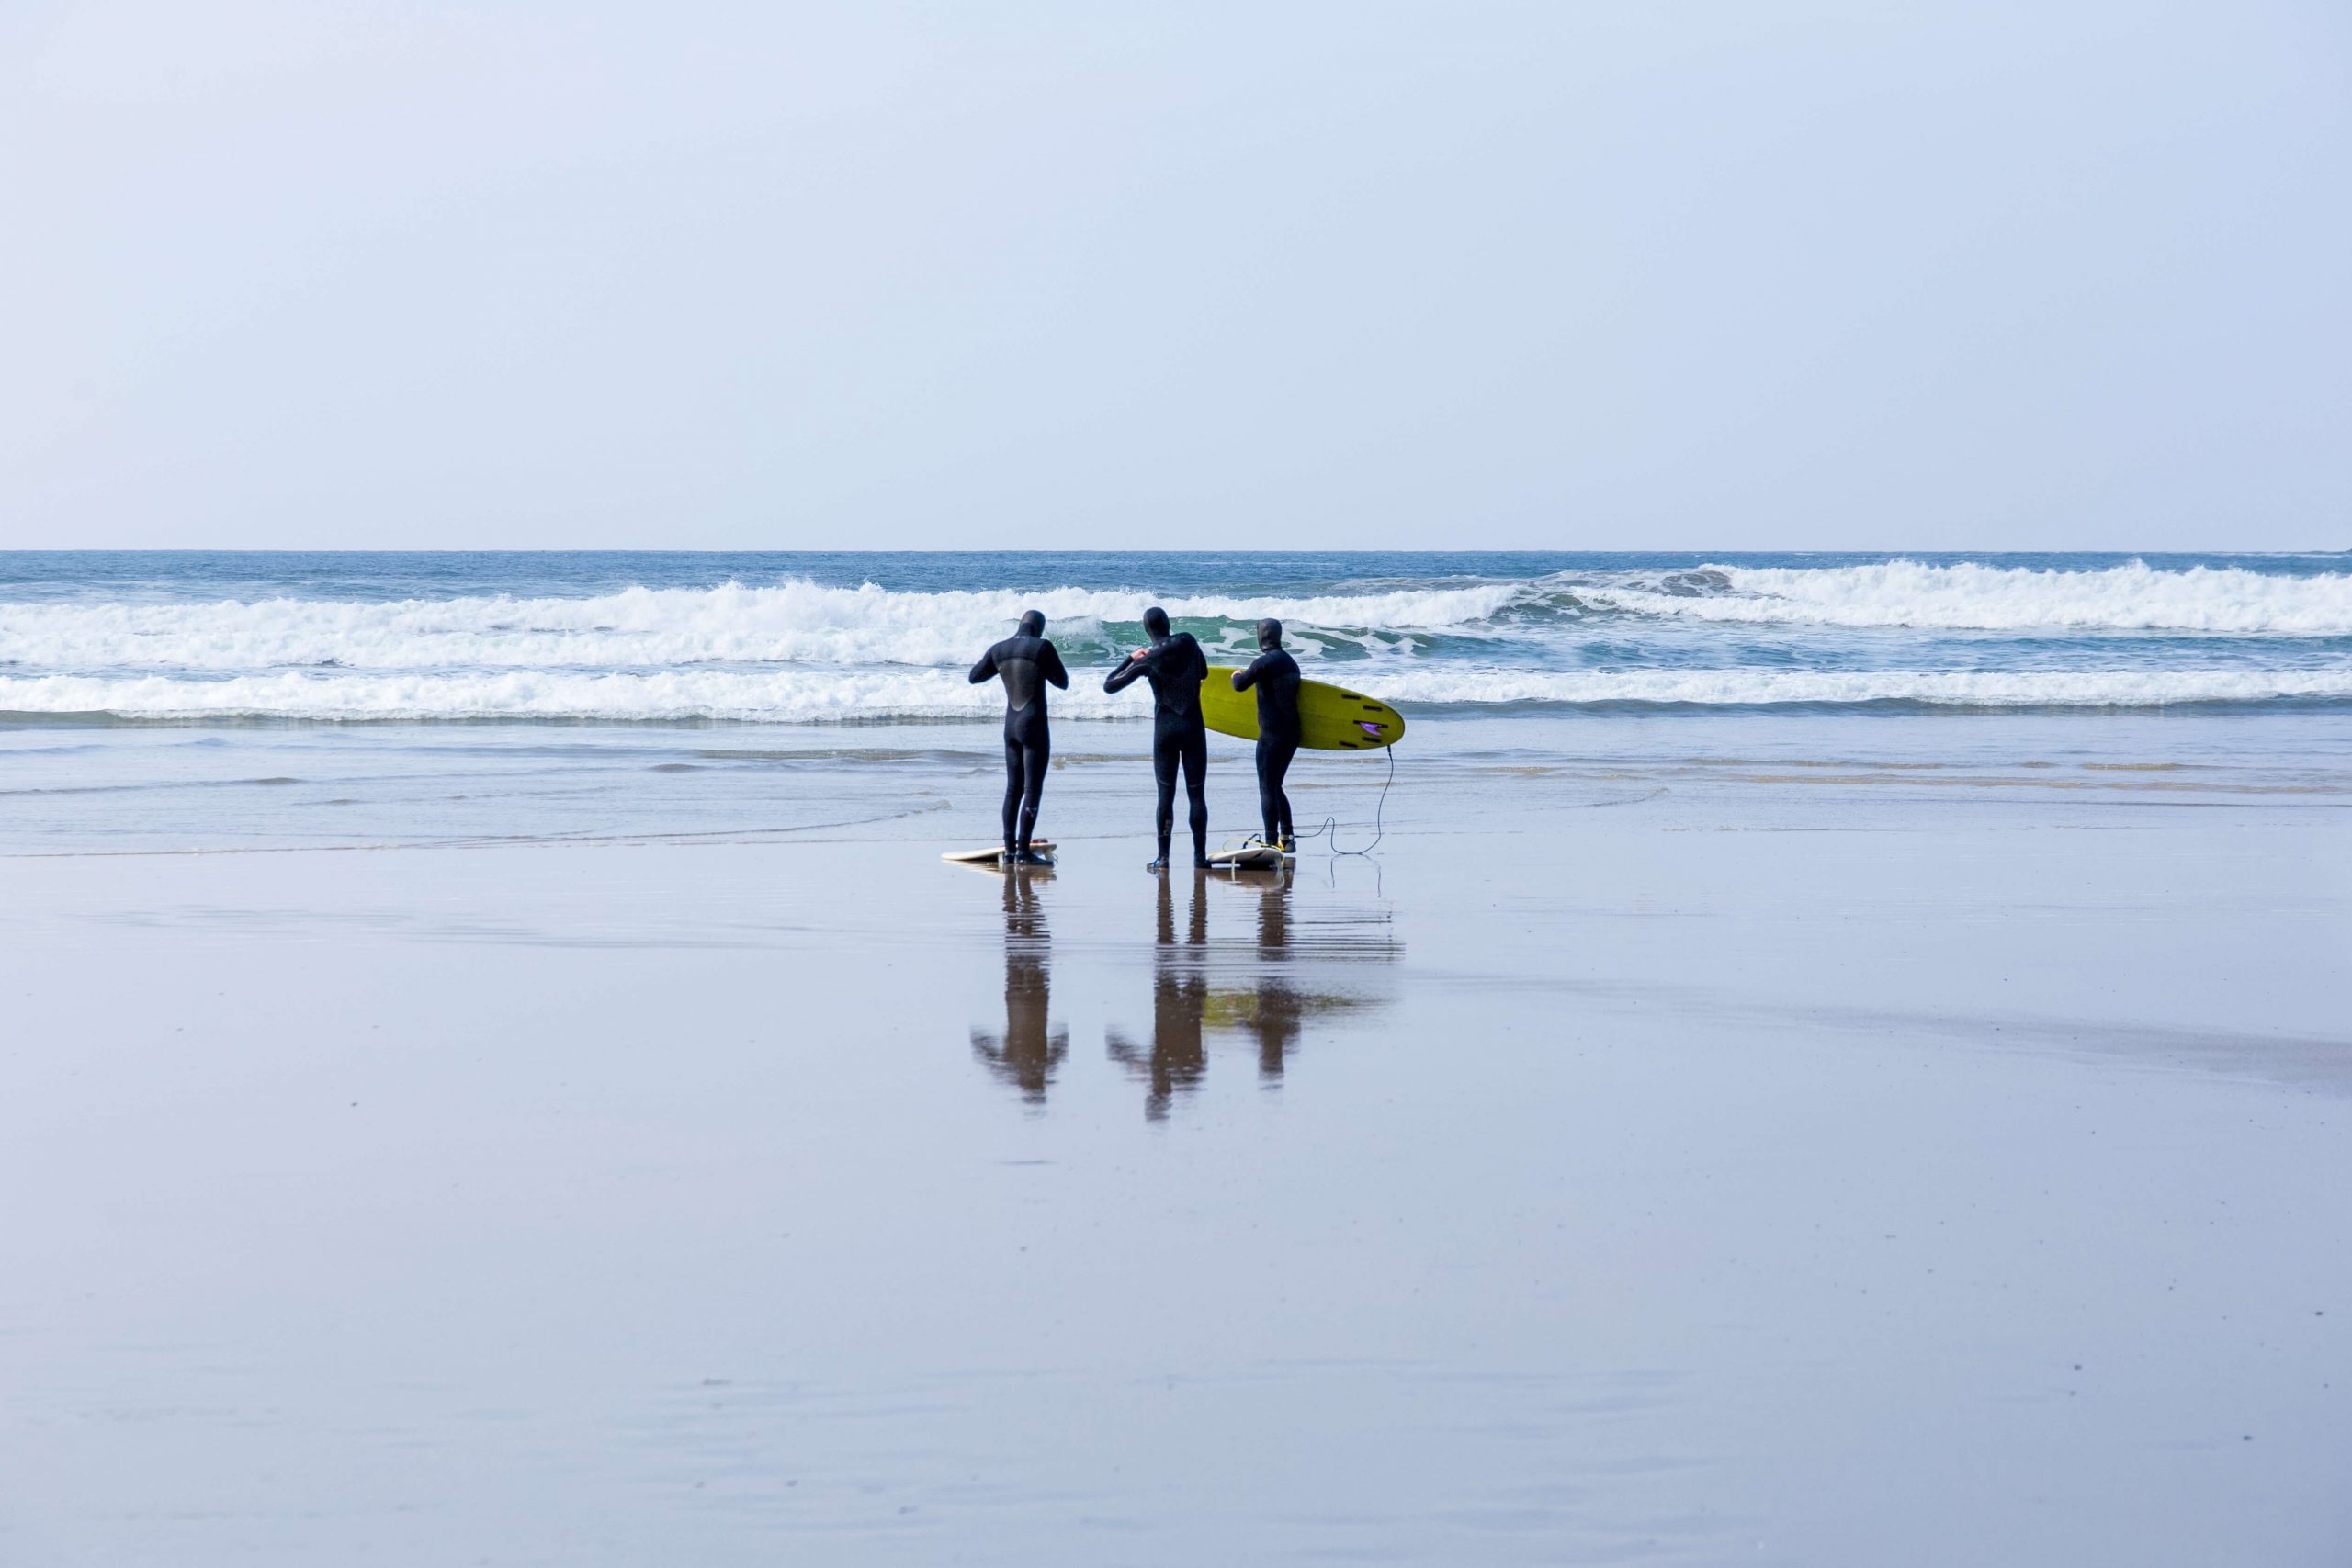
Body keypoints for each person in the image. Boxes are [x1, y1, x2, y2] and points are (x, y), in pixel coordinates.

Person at [1103, 605, 1209, 870]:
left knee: (1166, 796)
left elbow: (1109, 685)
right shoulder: (1188, 641)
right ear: (1168, 623)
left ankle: (1163, 859)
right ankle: (1199, 859)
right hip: (1193, 726)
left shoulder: (1147, 659)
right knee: (1197, 795)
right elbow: (1205, 672)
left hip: (1165, 731)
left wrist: (1130, 658)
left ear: (1147, 630)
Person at [969, 610, 1068, 864]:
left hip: (1010, 726)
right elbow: (1062, 682)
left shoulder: (998, 649)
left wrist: (1002, 668)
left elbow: (975, 676)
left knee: (1013, 789)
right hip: (1033, 724)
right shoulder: (1042, 647)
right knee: (1032, 789)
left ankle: (1010, 850)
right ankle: (1024, 852)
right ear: (1039, 628)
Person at [1231, 616, 1302, 852]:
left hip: (1271, 735)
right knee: (1276, 785)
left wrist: (1234, 676)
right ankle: (1287, 838)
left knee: (1267, 786)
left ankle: (1271, 842)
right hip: (1291, 734)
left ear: (1262, 636)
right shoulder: (1291, 663)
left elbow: (1240, 685)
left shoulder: (1264, 663)